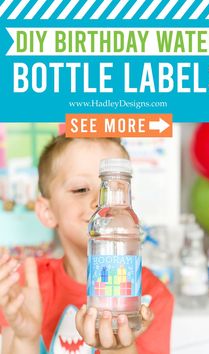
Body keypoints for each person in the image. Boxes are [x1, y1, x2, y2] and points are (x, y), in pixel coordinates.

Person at [0, 135, 173, 354]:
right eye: (81, 189)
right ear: (47, 211)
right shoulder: (26, 287)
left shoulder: (152, 295)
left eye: (112, 188)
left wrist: (121, 347)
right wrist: (26, 340)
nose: (101, 202)